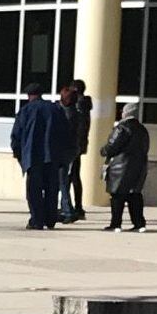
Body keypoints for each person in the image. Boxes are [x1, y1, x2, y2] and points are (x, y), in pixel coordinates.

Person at [10, 82, 71, 231]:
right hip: (53, 157)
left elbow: (16, 136)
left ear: (29, 96)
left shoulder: (25, 111)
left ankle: (37, 220)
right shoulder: (56, 109)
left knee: (34, 191)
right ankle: (50, 219)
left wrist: (19, 155)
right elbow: (66, 134)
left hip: (33, 156)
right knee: (52, 188)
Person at [100, 102, 150, 232]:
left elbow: (112, 146)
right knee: (135, 195)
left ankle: (116, 223)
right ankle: (139, 223)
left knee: (117, 195)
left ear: (126, 113)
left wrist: (104, 151)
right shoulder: (142, 129)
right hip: (139, 166)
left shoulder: (122, 128)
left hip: (120, 167)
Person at [58, 85, 90, 223]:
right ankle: (71, 207)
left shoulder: (68, 114)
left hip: (66, 151)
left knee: (64, 180)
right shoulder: (79, 112)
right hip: (75, 149)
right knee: (70, 179)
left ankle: (68, 209)